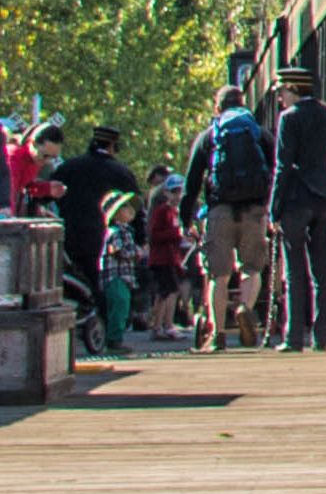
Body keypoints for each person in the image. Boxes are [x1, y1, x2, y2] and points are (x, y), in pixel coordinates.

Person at [267, 68, 326, 352]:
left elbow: (283, 166)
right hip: (325, 199)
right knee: (321, 273)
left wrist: (274, 210)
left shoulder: (288, 119)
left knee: (294, 271)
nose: (279, 98)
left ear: (292, 89)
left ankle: (293, 339)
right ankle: (321, 337)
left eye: (281, 92)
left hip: (295, 201)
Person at [186, 76, 273, 350]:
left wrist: (185, 219)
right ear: (243, 105)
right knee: (251, 268)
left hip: (219, 211)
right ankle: (245, 309)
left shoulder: (209, 136)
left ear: (217, 108)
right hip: (254, 211)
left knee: (218, 275)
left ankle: (218, 333)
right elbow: (276, 170)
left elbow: (191, 183)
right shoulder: (259, 133)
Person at [54, 126, 132, 353]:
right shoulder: (119, 172)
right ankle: (110, 335)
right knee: (108, 288)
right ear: (112, 146)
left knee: (73, 283)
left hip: (70, 237)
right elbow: (133, 208)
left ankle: (77, 327)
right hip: (105, 240)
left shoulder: (68, 167)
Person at [137, 173, 187, 339]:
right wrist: (176, 234)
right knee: (166, 292)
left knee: (171, 291)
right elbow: (154, 235)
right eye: (174, 191)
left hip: (172, 258)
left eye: (180, 191)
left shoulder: (174, 212)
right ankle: (159, 325)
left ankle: (167, 323)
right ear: (166, 193)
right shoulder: (161, 211)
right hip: (161, 258)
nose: (178, 195)